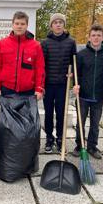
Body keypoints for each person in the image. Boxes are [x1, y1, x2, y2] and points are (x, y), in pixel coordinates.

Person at [72, 24, 103, 159]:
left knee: (95, 124)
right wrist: (75, 85)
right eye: (93, 35)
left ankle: (92, 147)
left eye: (98, 35)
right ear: (89, 37)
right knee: (80, 123)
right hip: (83, 95)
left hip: (99, 96)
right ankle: (79, 145)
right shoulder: (81, 54)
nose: (96, 38)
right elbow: (76, 73)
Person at [40, 13, 76, 153]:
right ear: (51, 25)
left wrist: (72, 72)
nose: (58, 24)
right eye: (55, 22)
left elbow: (74, 61)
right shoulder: (45, 43)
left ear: (64, 25)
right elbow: (42, 64)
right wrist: (41, 84)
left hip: (63, 84)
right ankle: (49, 138)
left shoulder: (71, 42)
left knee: (61, 113)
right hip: (49, 84)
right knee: (49, 113)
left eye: (61, 22)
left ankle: (60, 138)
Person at [0, 11, 45, 101]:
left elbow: (40, 68)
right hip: (7, 90)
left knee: (26, 116)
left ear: (27, 25)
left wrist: (39, 88)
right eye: (17, 23)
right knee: (7, 116)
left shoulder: (36, 46)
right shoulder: (2, 44)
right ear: (12, 25)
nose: (19, 26)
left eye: (22, 24)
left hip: (28, 92)